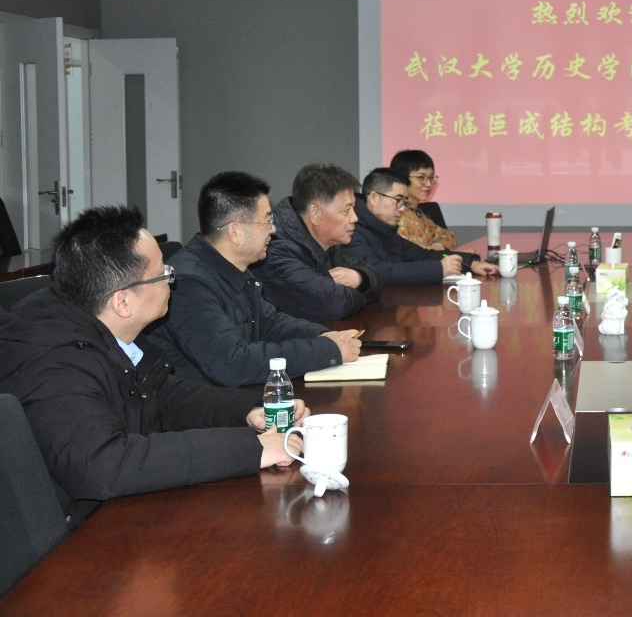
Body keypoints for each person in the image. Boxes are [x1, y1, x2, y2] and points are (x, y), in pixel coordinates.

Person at [0, 206, 306, 527]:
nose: (172, 281)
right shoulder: (53, 364)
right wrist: (250, 450)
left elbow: (166, 396)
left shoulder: (105, 326)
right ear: (122, 302)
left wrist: (251, 409)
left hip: (117, 511)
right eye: (164, 274)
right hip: (77, 536)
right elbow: (104, 466)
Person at [147, 171, 363, 387]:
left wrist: (323, 336)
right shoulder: (188, 283)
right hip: (199, 401)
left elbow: (269, 322)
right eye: (267, 220)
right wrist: (326, 351)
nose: (273, 229)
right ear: (235, 232)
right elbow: (232, 363)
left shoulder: (233, 267)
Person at [254, 163, 383, 322]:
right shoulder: (276, 249)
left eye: (353, 208)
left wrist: (359, 278)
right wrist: (362, 293)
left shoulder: (327, 242)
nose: (355, 218)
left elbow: (374, 274)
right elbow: (333, 304)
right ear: (315, 213)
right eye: (346, 210)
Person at [346, 168, 496, 285]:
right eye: (398, 200)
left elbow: (424, 255)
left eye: (404, 202)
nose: (402, 208)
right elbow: (379, 272)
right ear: (374, 198)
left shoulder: (385, 229)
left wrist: (470, 263)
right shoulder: (352, 230)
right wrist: (439, 269)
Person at [391, 149, 460, 251]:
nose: (429, 184)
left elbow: (449, 237)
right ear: (401, 178)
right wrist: (436, 251)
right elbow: (408, 253)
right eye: (421, 177)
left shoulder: (418, 213)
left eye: (431, 177)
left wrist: (437, 246)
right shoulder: (395, 216)